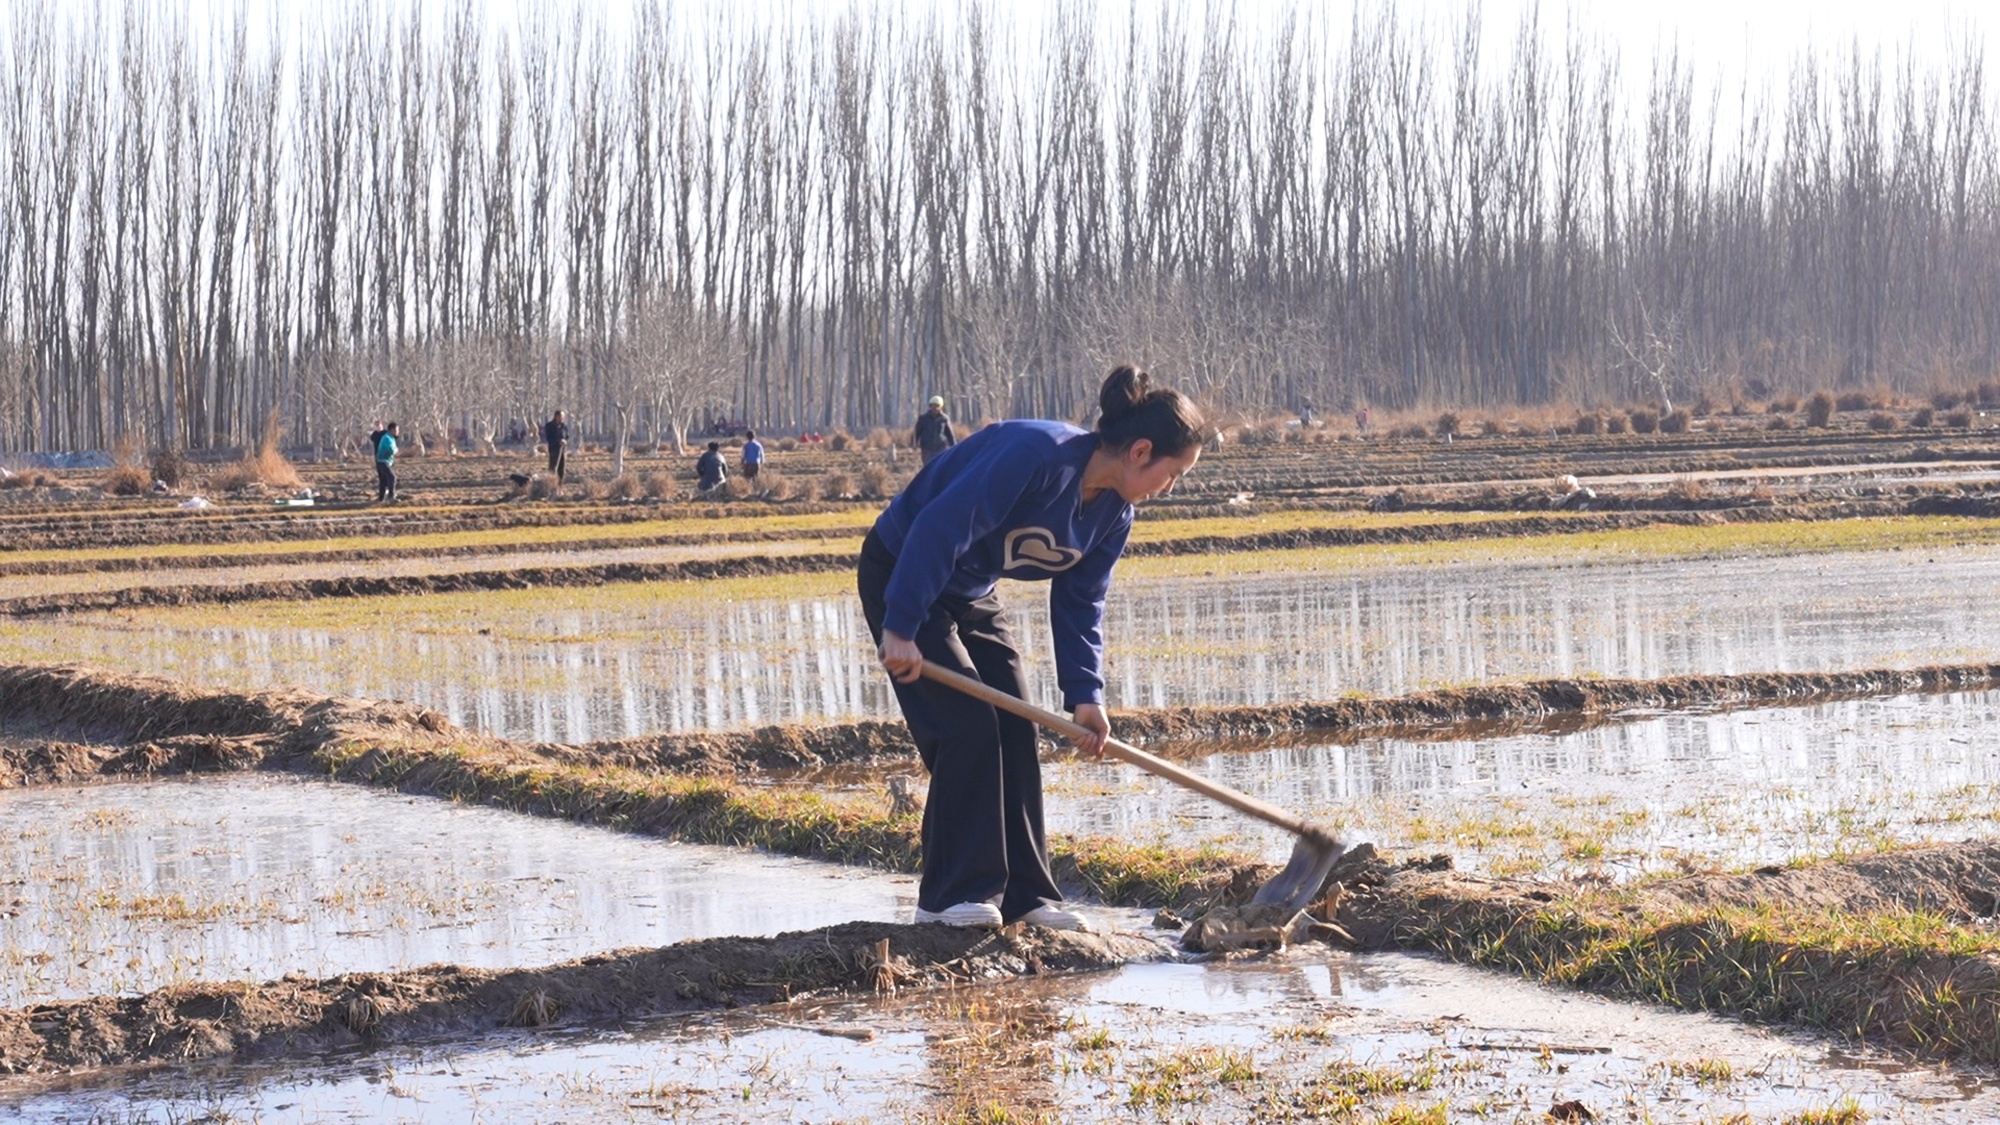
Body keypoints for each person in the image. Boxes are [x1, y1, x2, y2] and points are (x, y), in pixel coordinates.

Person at [859, 365, 1205, 932]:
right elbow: (939, 527)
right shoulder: (1037, 455)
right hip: (905, 570)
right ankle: (949, 897)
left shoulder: (1115, 512)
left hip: (970, 589)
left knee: (1018, 724)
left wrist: (1085, 696)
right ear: (1141, 451)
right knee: (968, 725)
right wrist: (899, 624)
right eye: (1175, 473)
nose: (1172, 487)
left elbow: (1080, 601)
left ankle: (1025, 897)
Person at [914, 395, 956, 465]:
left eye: (937, 406)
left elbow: (950, 434)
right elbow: (916, 432)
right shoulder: (923, 418)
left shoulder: (944, 419)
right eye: (932, 406)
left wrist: (954, 446)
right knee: (928, 467)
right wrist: (914, 443)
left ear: (940, 406)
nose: (935, 408)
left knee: (939, 466)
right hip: (926, 448)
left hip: (941, 448)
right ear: (930, 406)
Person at [374, 422, 400, 502]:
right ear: (392, 430)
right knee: (392, 477)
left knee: (383, 481)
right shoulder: (387, 438)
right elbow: (392, 450)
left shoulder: (391, 438)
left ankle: (381, 499)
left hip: (385, 461)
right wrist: (396, 450)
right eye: (396, 430)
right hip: (383, 462)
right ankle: (391, 497)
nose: (397, 431)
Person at [542, 410, 570, 482]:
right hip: (554, 449)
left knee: (562, 469)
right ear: (556, 416)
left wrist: (565, 441)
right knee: (553, 468)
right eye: (561, 416)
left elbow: (567, 436)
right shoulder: (549, 426)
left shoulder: (564, 426)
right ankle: (551, 485)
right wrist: (558, 441)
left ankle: (560, 486)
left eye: (563, 417)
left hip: (563, 450)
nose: (562, 418)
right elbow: (549, 438)